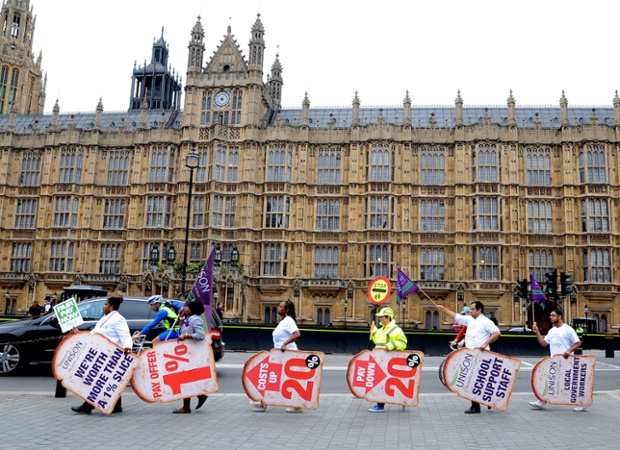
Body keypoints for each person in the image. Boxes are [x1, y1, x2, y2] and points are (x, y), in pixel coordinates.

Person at [437, 301, 500, 414]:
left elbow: (496, 333)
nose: (470, 311)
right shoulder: (470, 319)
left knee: (477, 380)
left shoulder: (485, 321)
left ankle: (478, 405)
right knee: (474, 380)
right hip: (471, 356)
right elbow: (457, 317)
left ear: (479, 310)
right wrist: (444, 309)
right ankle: (482, 402)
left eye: (472, 309)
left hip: (482, 356)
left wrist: (485, 344)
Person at [71, 296, 132, 414]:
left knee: (94, 380)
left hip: (111, 355)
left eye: (105, 304)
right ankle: (116, 406)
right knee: (108, 381)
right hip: (101, 353)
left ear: (111, 306)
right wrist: (79, 333)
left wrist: (127, 346)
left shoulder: (118, 319)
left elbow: (125, 335)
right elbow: (94, 333)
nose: (103, 307)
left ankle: (87, 406)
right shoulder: (104, 318)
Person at [529, 308, 585, 412]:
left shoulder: (568, 329)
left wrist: (568, 351)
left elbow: (577, 343)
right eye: (550, 315)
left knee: (570, 382)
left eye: (553, 315)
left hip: (566, 361)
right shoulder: (552, 330)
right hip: (554, 362)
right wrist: (537, 332)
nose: (550, 317)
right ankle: (542, 401)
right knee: (548, 380)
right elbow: (544, 343)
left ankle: (582, 402)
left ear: (559, 316)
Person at [250, 300, 302, 413]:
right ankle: (264, 403)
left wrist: (285, 344)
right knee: (273, 379)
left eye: (280, 307)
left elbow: (297, 334)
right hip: (279, 356)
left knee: (277, 379)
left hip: (288, 355)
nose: (278, 308)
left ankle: (295, 404)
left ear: (286, 310)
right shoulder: (283, 321)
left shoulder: (289, 321)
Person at [172, 300, 209, 414]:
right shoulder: (190, 318)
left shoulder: (196, 319)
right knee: (186, 379)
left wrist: (187, 335)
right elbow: (182, 330)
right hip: (185, 352)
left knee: (184, 378)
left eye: (187, 307)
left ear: (193, 309)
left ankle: (187, 406)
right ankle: (199, 396)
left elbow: (201, 335)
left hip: (191, 354)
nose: (185, 308)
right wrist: (181, 319)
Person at [368, 307, 407, 412]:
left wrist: (391, 345)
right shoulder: (382, 329)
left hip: (389, 361)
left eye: (382, 317)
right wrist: (374, 332)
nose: (380, 319)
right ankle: (404, 399)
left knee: (383, 383)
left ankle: (380, 406)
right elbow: (378, 342)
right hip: (381, 360)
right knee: (382, 382)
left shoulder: (395, 329)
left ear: (388, 317)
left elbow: (402, 343)